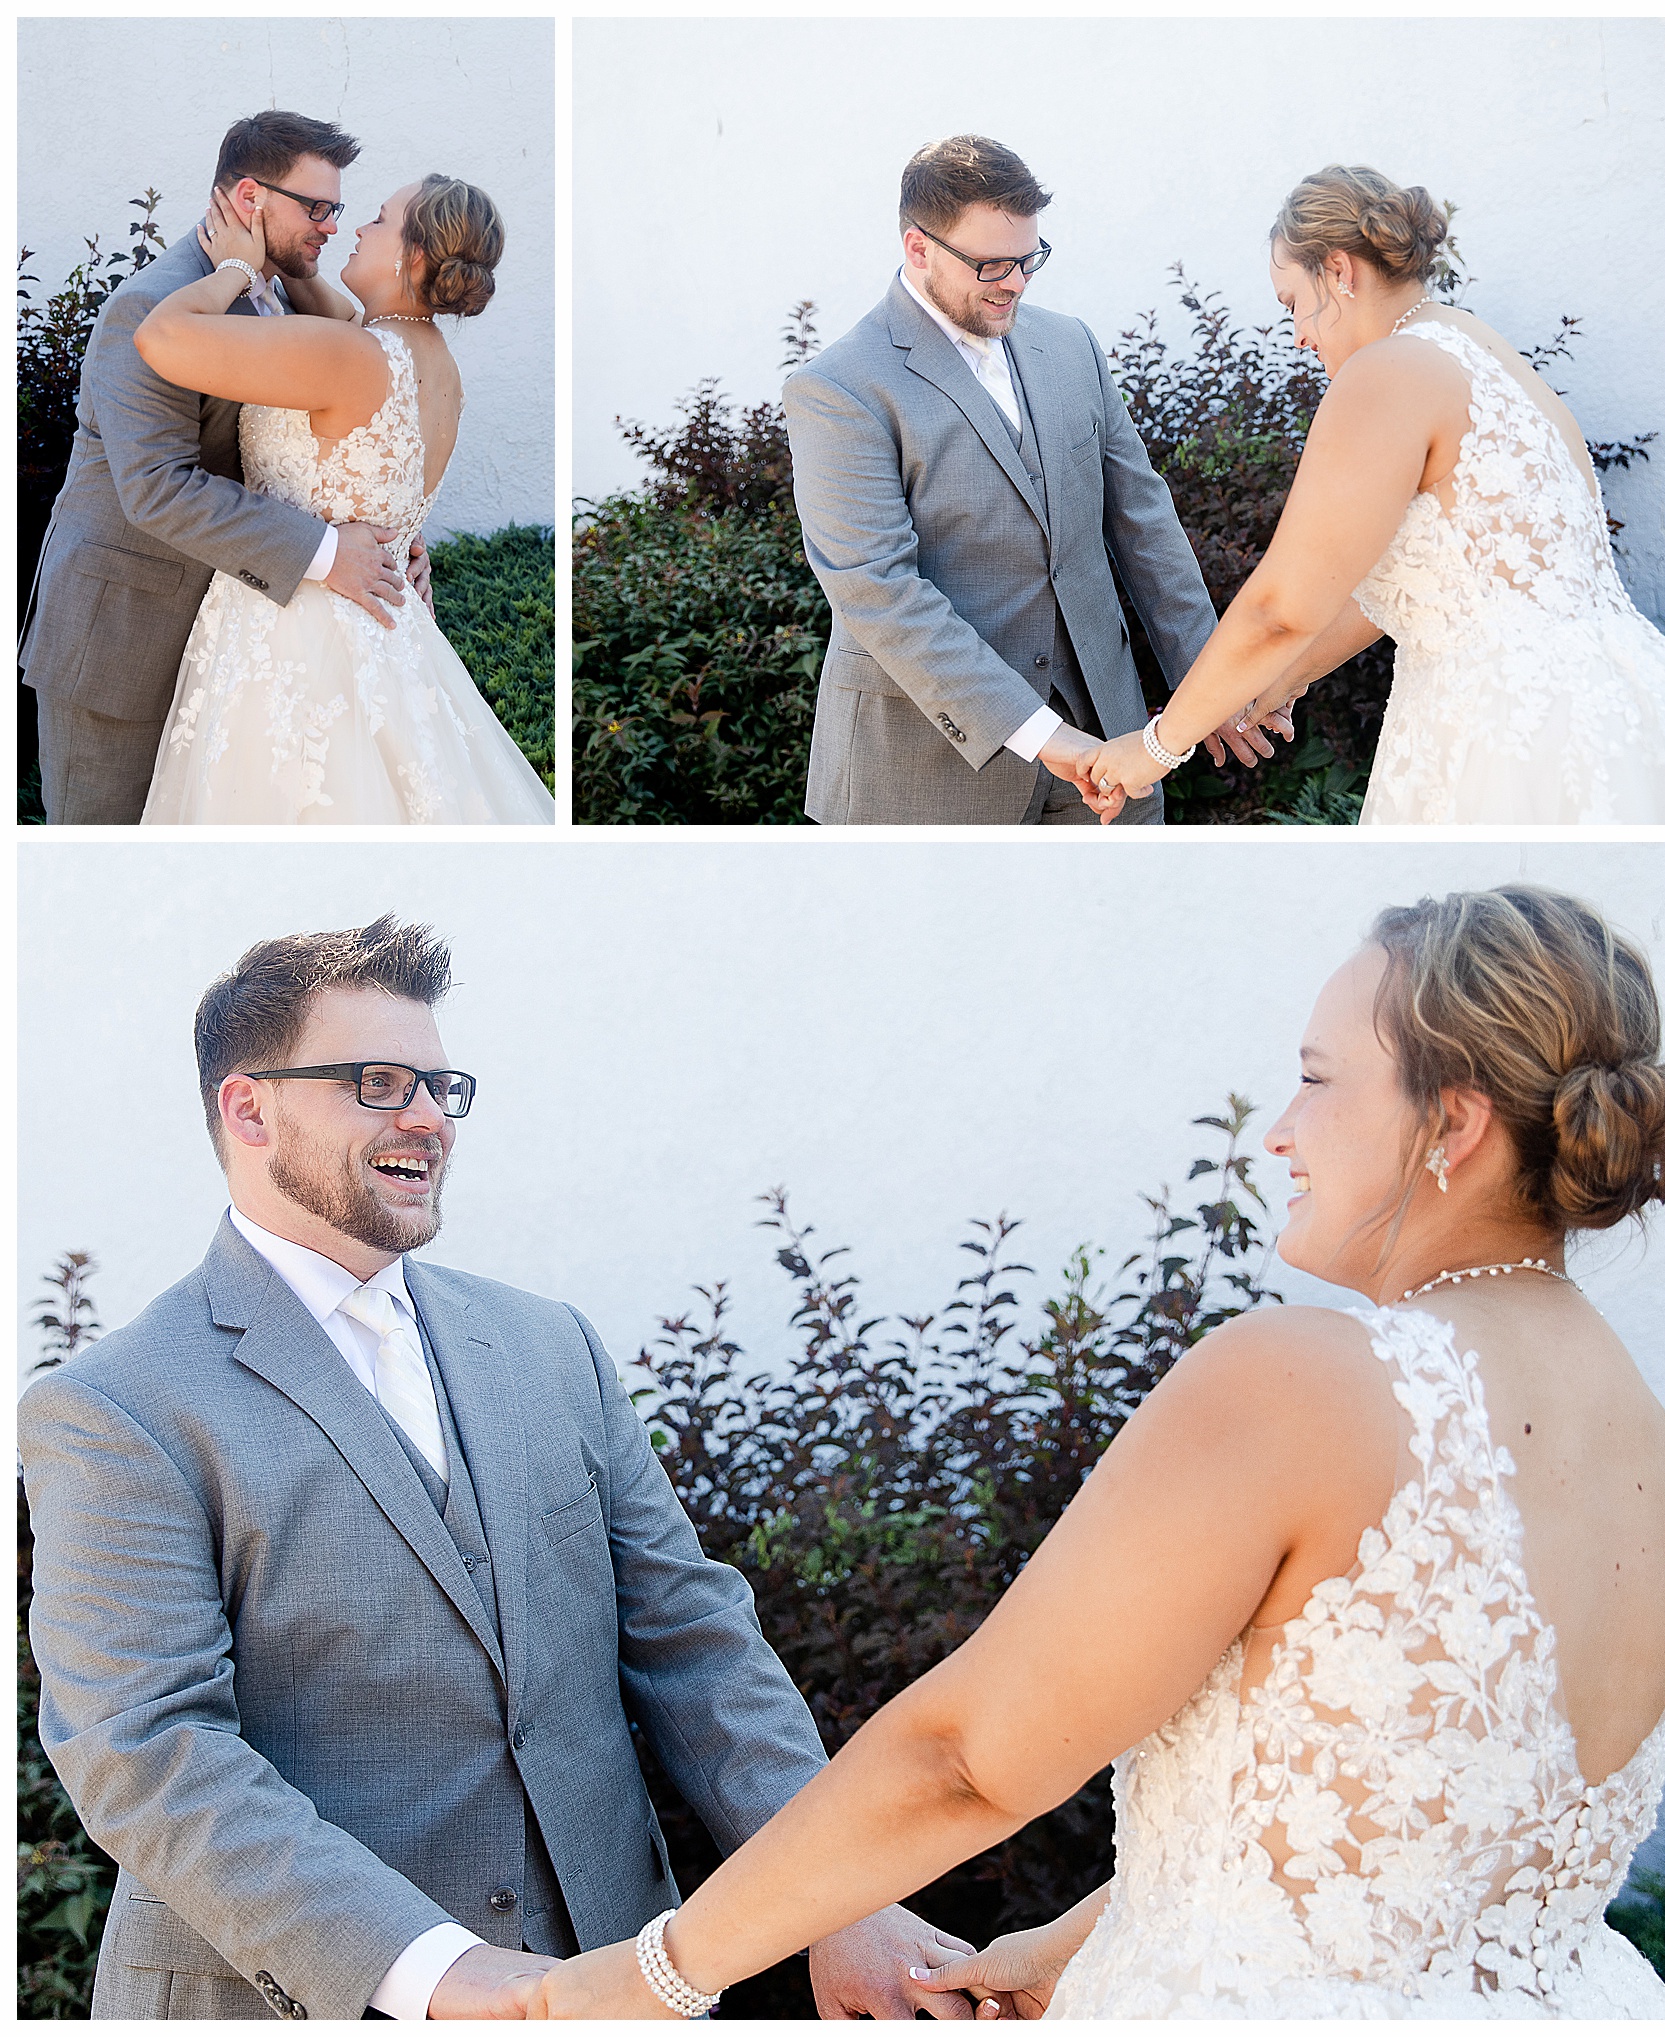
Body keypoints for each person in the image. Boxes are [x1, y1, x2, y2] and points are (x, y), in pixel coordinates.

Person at [522, 885, 1665, 2018]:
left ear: (1450, 1120)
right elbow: (1398, 1837)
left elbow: (964, 1761)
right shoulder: (1661, 1454)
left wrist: (650, 1979)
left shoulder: (1307, 1380)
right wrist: (1070, 1948)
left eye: (1314, 1081)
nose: (1284, 1134)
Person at [18, 916, 965, 2020]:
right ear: (250, 1109)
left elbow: (692, 1637)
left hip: (619, 1983)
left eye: (437, 1083)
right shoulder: (113, 1408)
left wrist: (833, 1894)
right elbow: (150, 1750)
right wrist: (440, 1971)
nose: (428, 1117)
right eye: (376, 1082)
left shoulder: (550, 1347)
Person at [1076, 165, 1665, 825]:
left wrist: (1159, 746)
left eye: (1292, 303)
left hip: (1508, 734)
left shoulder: (1385, 372)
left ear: (1339, 270)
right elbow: (1414, 583)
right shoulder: (1480, 349)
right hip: (1640, 708)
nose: (1295, 336)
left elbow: (1279, 607)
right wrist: (1270, 685)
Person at [784, 134, 1291, 826]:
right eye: (991, 264)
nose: (1017, 282)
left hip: (1111, 760)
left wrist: (1213, 683)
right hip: (926, 780)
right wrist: (1045, 737)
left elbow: (1143, 521)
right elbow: (880, 590)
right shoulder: (839, 388)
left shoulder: (1072, 345)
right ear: (918, 247)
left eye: (1028, 259)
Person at [20, 112, 420, 824]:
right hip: (122, 645)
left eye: (339, 209)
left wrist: (391, 540)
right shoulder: (148, 306)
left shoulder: (278, 294)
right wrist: (333, 555)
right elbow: (157, 488)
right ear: (248, 198)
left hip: (229, 645)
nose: (331, 225)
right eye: (317, 207)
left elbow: (333, 443)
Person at [133, 160, 553, 822]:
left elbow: (159, 337)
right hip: (388, 634)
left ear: (413, 256)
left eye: (380, 219)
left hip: (294, 634)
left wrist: (237, 268)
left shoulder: (351, 356)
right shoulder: (440, 368)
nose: (357, 226)